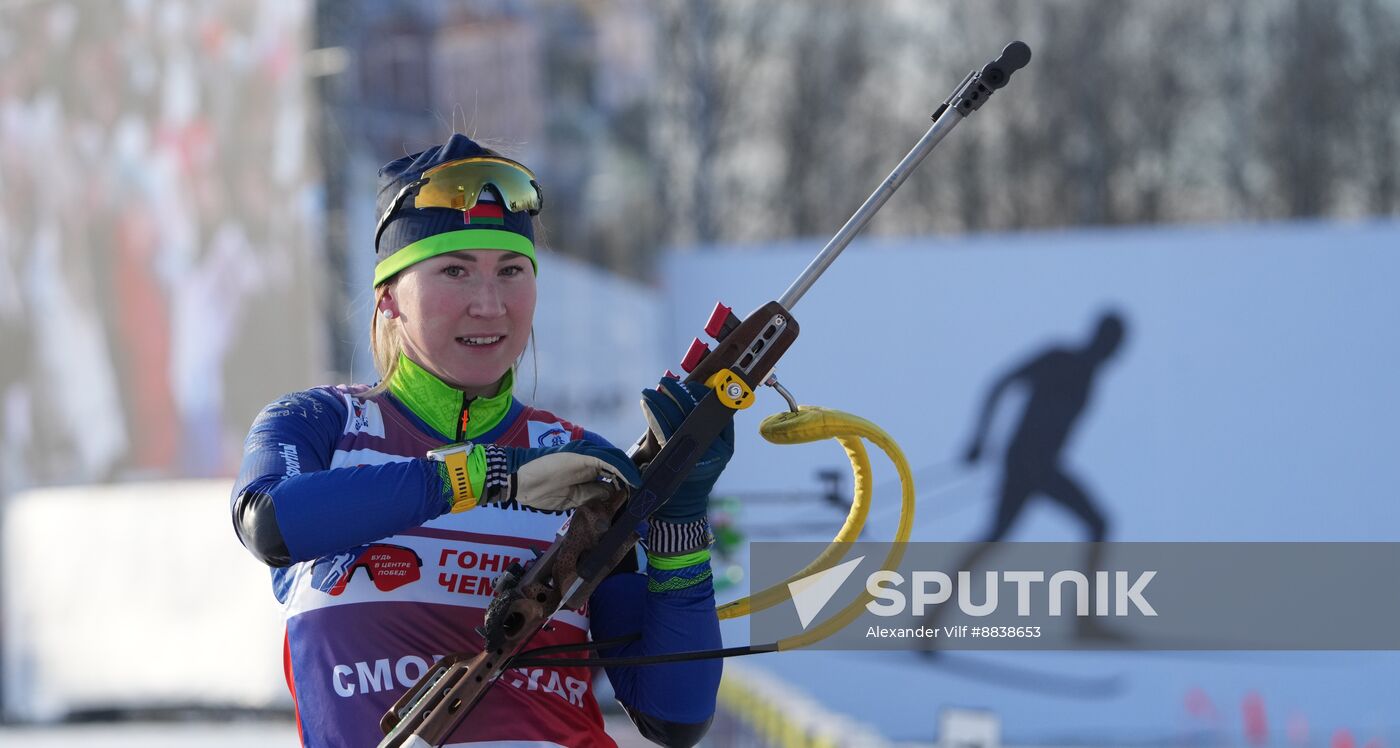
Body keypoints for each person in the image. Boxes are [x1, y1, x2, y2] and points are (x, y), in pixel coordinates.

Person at [231, 134, 732, 747]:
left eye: (511, 271)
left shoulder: (578, 463)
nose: (490, 305)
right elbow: (270, 523)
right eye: (455, 271)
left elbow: (674, 716)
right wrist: (485, 475)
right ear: (389, 297)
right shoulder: (322, 425)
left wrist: (679, 525)